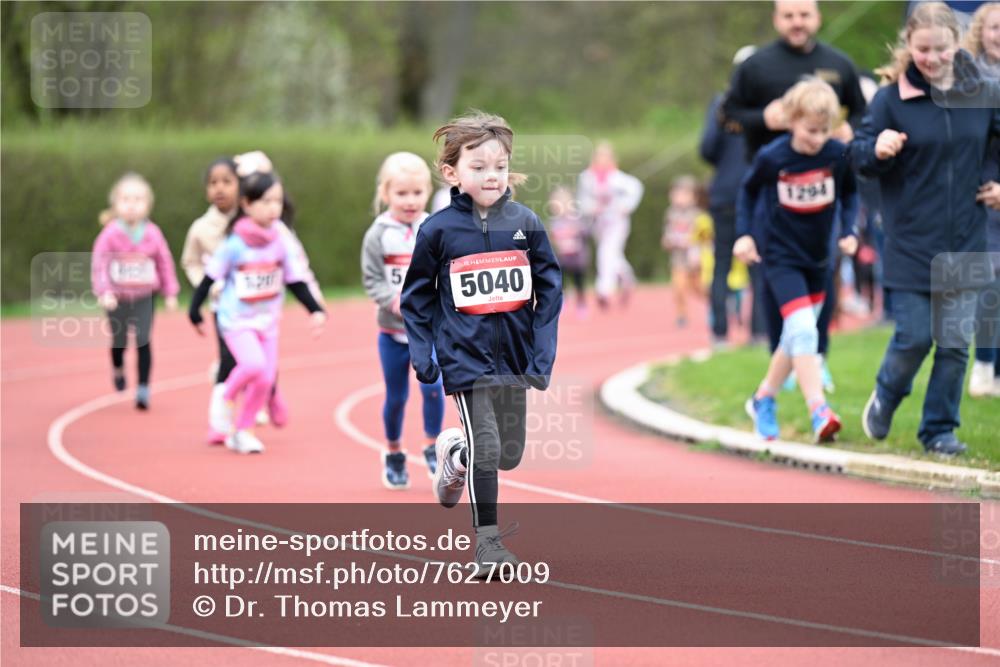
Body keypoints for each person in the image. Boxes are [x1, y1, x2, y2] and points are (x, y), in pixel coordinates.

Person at [401, 111, 562, 577]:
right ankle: (487, 546)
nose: (491, 175)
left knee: (508, 453)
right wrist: (423, 353)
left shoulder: (525, 221)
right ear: (452, 172)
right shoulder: (438, 230)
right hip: (463, 357)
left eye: (500, 166)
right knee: (489, 448)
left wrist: (542, 349)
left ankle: (455, 455)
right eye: (479, 167)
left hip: (515, 355)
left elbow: (550, 286)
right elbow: (416, 298)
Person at [851, 1, 1000, 454]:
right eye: (922, 50)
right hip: (912, 239)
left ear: (957, 45)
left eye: (940, 48)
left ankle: (938, 430)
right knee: (914, 337)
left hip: (967, 239)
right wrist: (875, 148)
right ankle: (887, 395)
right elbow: (855, 156)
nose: (932, 58)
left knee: (954, 348)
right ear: (908, 46)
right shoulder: (891, 100)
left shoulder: (985, 91)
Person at [724, 0, 867, 386]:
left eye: (804, 14)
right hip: (773, 186)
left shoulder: (839, 65)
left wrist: (849, 130)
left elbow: (862, 113)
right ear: (777, 19)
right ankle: (781, 359)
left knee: (824, 275)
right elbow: (728, 114)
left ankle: (817, 358)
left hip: (822, 187)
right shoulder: (756, 66)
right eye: (789, 16)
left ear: (817, 17)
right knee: (773, 279)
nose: (797, 23)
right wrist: (762, 118)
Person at [735, 79, 859, 443]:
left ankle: (763, 399)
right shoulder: (773, 157)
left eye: (823, 131)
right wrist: (744, 234)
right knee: (805, 331)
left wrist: (848, 230)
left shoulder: (836, 155)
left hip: (818, 259)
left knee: (795, 338)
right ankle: (819, 410)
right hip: (780, 256)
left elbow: (851, 194)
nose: (816, 139)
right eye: (809, 131)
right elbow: (747, 190)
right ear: (791, 120)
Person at [188, 169, 326, 454]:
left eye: (277, 201)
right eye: (265, 201)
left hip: (268, 322)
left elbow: (294, 280)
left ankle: (242, 431)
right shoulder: (234, 244)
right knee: (253, 366)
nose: (273, 207)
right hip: (236, 321)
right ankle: (225, 399)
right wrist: (194, 310)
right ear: (247, 205)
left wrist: (314, 309)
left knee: (265, 379)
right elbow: (209, 278)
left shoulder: (281, 241)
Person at [361, 152, 445, 489]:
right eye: (401, 193)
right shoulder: (378, 234)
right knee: (396, 397)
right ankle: (394, 452)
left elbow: (446, 269)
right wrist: (393, 301)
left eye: (417, 192)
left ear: (427, 192)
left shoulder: (434, 228)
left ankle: (431, 446)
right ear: (386, 194)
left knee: (434, 388)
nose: (410, 201)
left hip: (427, 330)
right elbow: (371, 278)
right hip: (392, 332)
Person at [91, 173, 180, 410]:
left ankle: (143, 388)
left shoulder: (153, 234)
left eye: (138, 199)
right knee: (119, 341)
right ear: (116, 205)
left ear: (148, 205)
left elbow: (164, 262)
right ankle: (118, 366)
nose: (131, 204)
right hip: (117, 299)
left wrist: (170, 292)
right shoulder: (109, 235)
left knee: (143, 340)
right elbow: (100, 265)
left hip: (144, 297)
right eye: (126, 199)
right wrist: (105, 292)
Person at [700, 44, 767, 346]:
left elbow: (707, 149)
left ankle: (720, 333)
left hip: (726, 192)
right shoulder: (769, 106)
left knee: (722, 262)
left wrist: (727, 166)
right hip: (756, 191)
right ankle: (759, 332)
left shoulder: (721, 104)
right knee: (758, 263)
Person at [182, 157, 241, 442]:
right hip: (223, 305)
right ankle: (220, 420)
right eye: (213, 183)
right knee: (229, 359)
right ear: (207, 190)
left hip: (256, 306)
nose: (220, 188)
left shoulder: (251, 221)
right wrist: (205, 286)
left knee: (259, 363)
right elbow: (190, 262)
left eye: (227, 182)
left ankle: (259, 396)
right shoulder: (200, 228)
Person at [964, 2, 1000, 397]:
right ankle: (985, 365)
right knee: (990, 282)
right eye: (993, 27)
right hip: (982, 193)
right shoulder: (967, 78)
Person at [576, 141, 643, 309]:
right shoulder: (586, 178)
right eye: (599, 155)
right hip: (598, 224)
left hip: (617, 223)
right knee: (612, 254)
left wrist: (626, 206)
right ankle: (627, 278)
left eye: (606, 156)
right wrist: (591, 208)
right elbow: (582, 201)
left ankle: (604, 290)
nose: (602, 159)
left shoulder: (620, 178)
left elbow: (636, 189)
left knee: (606, 253)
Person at [661, 175, 706, 328]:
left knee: (699, 288)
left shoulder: (698, 215)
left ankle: (716, 307)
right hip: (678, 259)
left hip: (695, 260)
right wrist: (667, 241)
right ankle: (681, 315)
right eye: (676, 194)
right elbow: (667, 234)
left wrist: (695, 246)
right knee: (678, 288)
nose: (679, 198)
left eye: (684, 194)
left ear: (693, 197)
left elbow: (705, 238)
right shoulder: (670, 213)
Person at [546, 186, 589, 316]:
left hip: (577, 258)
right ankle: (563, 300)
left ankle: (581, 304)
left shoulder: (576, 218)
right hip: (562, 258)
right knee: (561, 280)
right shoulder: (554, 221)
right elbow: (552, 238)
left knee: (579, 282)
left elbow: (585, 232)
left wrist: (576, 230)